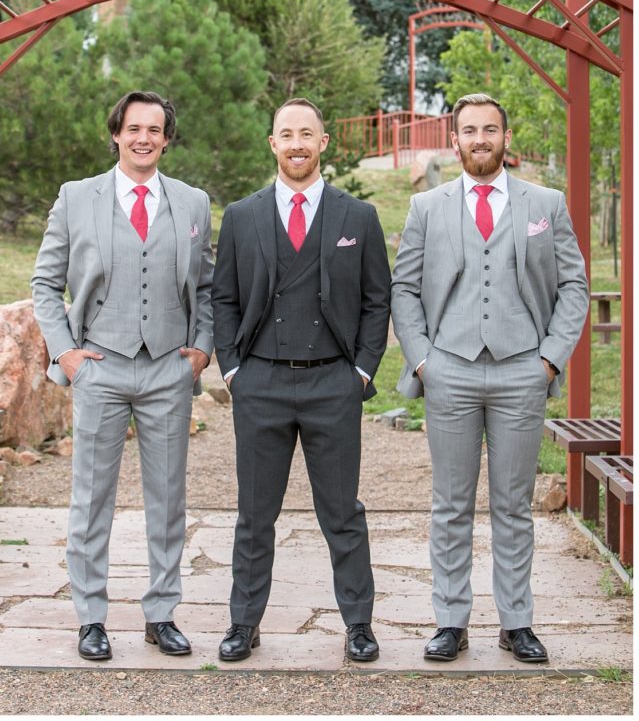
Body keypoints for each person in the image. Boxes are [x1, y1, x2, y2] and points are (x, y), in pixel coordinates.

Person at [391, 93, 588, 665]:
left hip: (521, 369)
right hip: (448, 368)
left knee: (512, 504)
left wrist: (549, 359)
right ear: (454, 139)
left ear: (506, 136)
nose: (480, 138)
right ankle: (450, 622)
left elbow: (574, 285)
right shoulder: (427, 206)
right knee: (450, 504)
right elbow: (404, 287)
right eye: (470, 130)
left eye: (490, 129)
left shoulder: (544, 203)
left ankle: (517, 622)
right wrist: (424, 359)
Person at [31, 91, 213, 661]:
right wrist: (65, 353)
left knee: (167, 498)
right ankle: (91, 618)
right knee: (91, 498)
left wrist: (200, 350)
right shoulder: (76, 197)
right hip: (100, 366)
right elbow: (45, 284)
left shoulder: (192, 202)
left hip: (167, 368)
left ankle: (161, 613)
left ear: (166, 138)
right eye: (133, 128)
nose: (143, 138)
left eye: (154, 130)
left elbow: (207, 287)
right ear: (116, 133)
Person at [211, 98, 391, 663]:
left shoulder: (357, 217)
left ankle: (358, 625)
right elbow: (223, 298)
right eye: (286, 134)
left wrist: (361, 370)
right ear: (272, 143)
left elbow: (376, 299)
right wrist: (233, 368)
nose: (296, 143)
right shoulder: (242, 216)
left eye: (306, 134)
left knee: (342, 513)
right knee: (254, 513)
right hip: (259, 382)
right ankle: (244, 624)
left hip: (332, 384)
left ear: (323, 142)